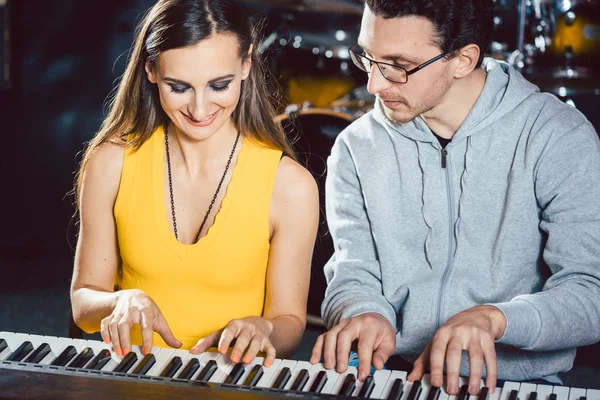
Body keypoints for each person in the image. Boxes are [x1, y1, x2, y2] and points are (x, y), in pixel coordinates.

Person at [310, 0, 600, 394]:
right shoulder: (356, 146)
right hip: (392, 376)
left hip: (519, 383)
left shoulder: (556, 137)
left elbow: (590, 290)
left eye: (398, 65)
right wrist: (363, 312)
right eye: (368, 58)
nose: (373, 85)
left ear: (463, 60)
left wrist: (496, 320)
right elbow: (353, 271)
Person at [70, 0, 319, 369]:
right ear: (151, 70)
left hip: (231, 385)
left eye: (219, 85)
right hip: (129, 378)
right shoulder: (110, 163)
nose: (200, 110)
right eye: (179, 87)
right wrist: (118, 301)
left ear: (247, 64)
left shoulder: (291, 187)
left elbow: (290, 324)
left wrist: (262, 328)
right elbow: (83, 303)